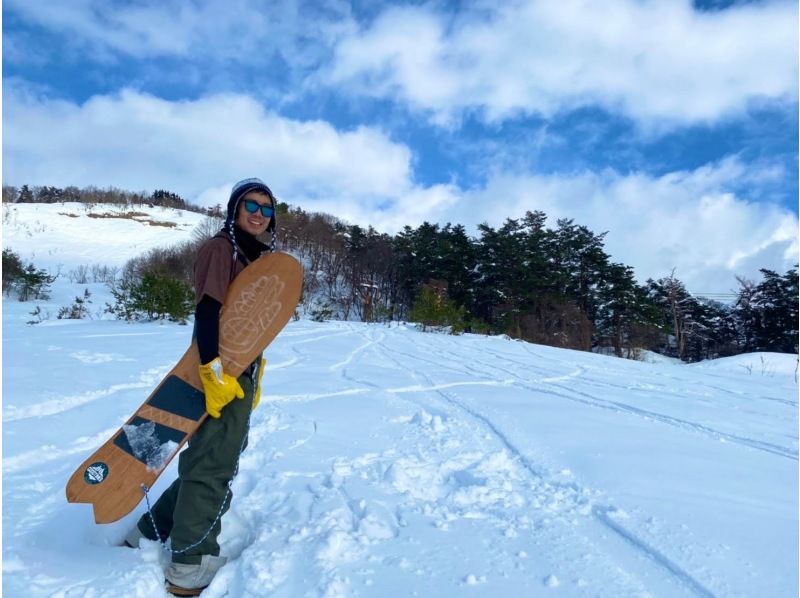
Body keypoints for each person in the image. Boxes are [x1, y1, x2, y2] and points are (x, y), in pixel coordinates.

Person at [123, 177, 277, 596]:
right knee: (214, 467)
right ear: (234, 209)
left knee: (205, 458)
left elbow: (247, 327)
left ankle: (148, 531)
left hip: (236, 375)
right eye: (251, 205)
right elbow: (208, 313)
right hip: (218, 375)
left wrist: (251, 377)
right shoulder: (220, 249)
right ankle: (189, 564)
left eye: (267, 209)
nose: (259, 214)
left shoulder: (252, 257)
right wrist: (212, 372)